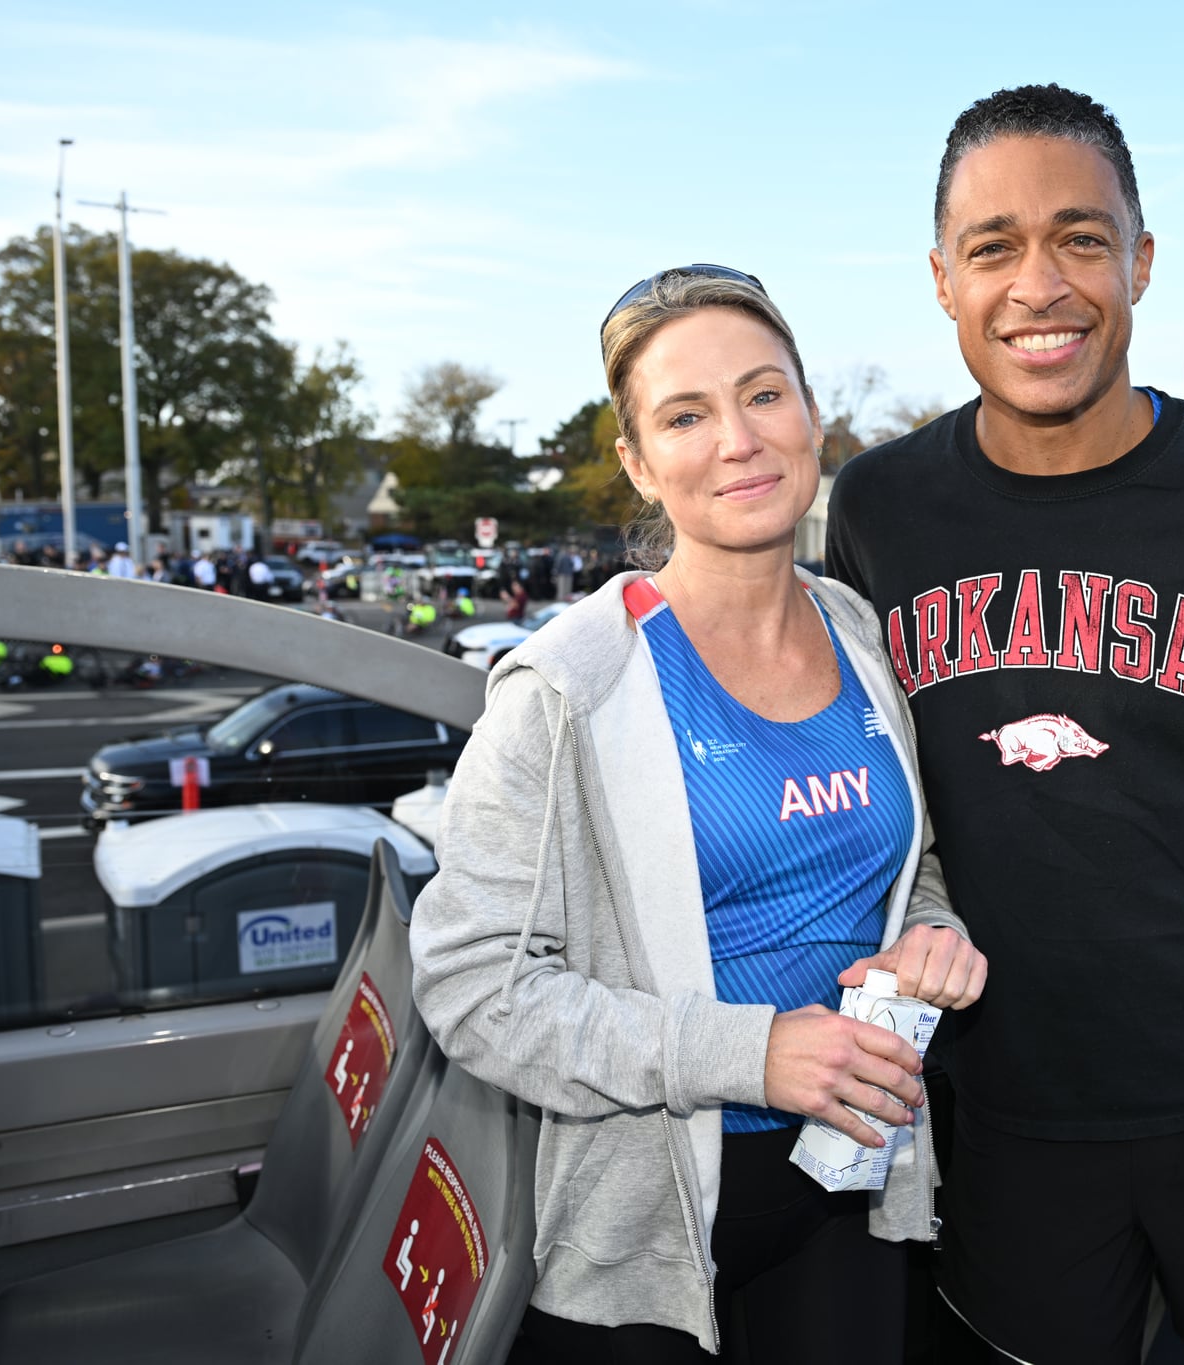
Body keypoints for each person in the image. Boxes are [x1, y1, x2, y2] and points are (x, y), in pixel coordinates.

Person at [826, 85, 1184, 1364]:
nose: (1037, 284)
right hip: (1002, 1093)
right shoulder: (877, 511)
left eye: (1080, 239)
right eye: (993, 247)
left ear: (1139, 262)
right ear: (941, 279)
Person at [411, 267, 986, 1364]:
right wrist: (748, 1051)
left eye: (764, 394)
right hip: (653, 1225)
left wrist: (935, 935)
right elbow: (471, 984)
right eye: (686, 414)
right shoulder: (567, 688)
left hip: (855, 1179)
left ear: (811, 414)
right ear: (637, 462)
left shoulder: (860, 635)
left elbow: (908, 869)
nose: (739, 439)